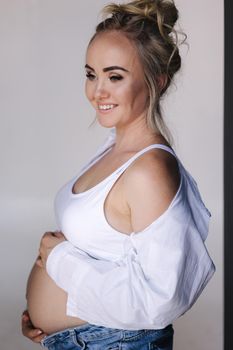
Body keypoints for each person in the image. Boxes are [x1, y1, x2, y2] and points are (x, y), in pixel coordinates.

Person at [21, 0, 215, 349]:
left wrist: (59, 261)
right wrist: (45, 316)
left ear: (156, 79)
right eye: (91, 74)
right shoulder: (114, 150)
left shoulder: (150, 170)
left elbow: (160, 300)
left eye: (115, 76)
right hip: (84, 338)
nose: (98, 91)